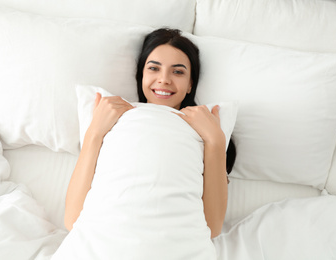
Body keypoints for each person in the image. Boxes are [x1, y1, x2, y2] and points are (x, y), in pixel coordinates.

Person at [64, 28, 233, 239]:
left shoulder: (204, 130)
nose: (164, 79)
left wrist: (215, 141)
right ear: (141, 75)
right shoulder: (114, 117)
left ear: (191, 84)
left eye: (178, 72)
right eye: (154, 68)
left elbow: (212, 228)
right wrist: (95, 132)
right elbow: (73, 220)